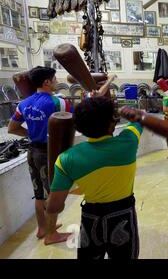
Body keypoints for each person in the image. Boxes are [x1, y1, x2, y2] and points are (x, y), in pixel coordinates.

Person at [46, 97, 143, 258]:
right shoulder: (128, 142)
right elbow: (139, 117)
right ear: (112, 122)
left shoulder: (66, 158)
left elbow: (54, 206)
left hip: (91, 218)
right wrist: (118, 111)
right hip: (123, 215)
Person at [7, 66, 73, 244]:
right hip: (48, 154)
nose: (57, 81)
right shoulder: (59, 102)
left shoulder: (24, 103)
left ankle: (42, 228)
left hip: (32, 151)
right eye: (55, 79)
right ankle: (52, 235)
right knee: (54, 195)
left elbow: (12, 128)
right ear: (47, 82)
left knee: (39, 194)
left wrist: (32, 134)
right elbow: (76, 121)